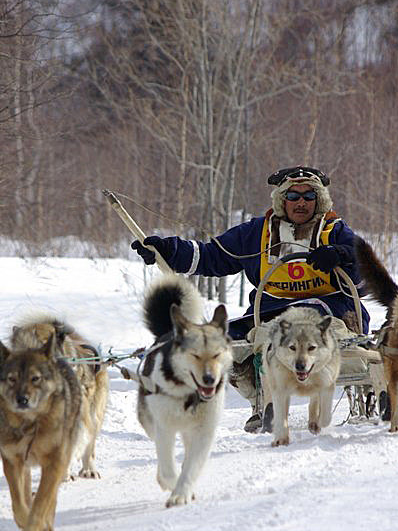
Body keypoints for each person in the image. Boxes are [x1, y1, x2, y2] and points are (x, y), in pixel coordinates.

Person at [130, 165, 369, 432]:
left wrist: (343, 255)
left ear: (319, 200)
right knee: (222, 344)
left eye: (308, 196)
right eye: (293, 196)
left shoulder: (334, 231)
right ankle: (260, 403)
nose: (301, 202)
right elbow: (212, 256)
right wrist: (168, 250)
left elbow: (364, 277)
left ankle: (317, 403)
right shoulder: (258, 232)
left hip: (328, 311)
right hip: (269, 311)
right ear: (282, 199)